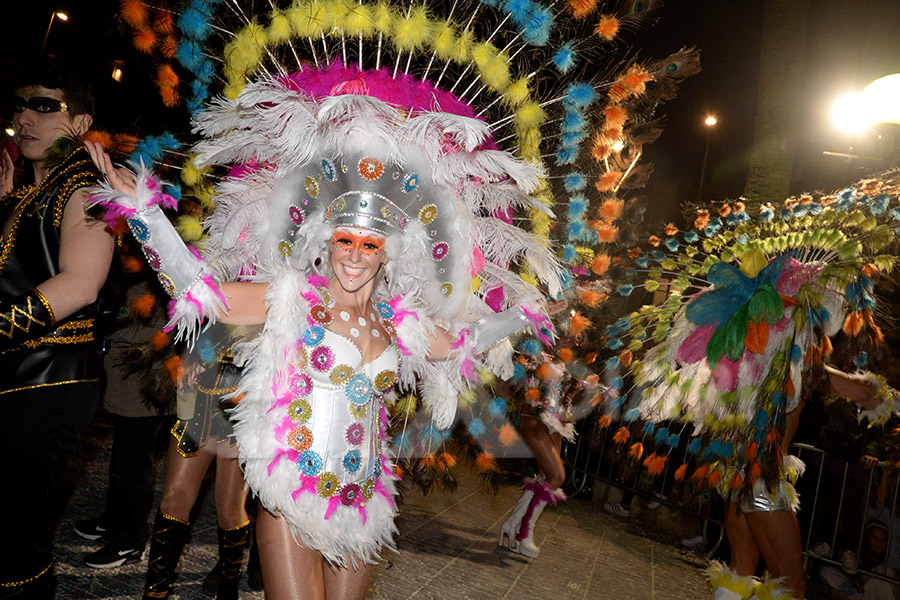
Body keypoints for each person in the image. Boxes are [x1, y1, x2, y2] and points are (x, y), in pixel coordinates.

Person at [85, 76, 558, 600]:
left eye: (369, 244)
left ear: (387, 252)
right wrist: (146, 215)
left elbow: (461, 341)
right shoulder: (291, 297)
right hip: (290, 493)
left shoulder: (399, 323)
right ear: (325, 241)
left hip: (363, 502)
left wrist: (523, 316)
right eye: (344, 240)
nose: (354, 254)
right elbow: (195, 288)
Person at [0, 67, 116, 598]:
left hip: (48, 382)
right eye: (21, 106)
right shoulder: (34, 191)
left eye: (45, 106)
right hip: (18, 375)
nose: (25, 117)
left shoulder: (85, 186)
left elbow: (82, 284)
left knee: (17, 543)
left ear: (81, 122)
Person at [73, 278, 175, 569]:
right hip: (129, 371)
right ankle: (113, 520)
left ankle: (129, 540)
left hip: (150, 378)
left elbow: (156, 322)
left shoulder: (160, 254)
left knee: (134, 463)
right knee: (123, 456)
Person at [820, 520, 899, 600]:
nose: (879, 542)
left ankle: (846, 596)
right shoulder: (859, 555)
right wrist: (853, 576)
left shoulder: (889, 561)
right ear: (867, 539)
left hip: (874, 590)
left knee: (886, 575)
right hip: (859, 589)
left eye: (883, 540)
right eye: (875, 538)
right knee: (826, 570)